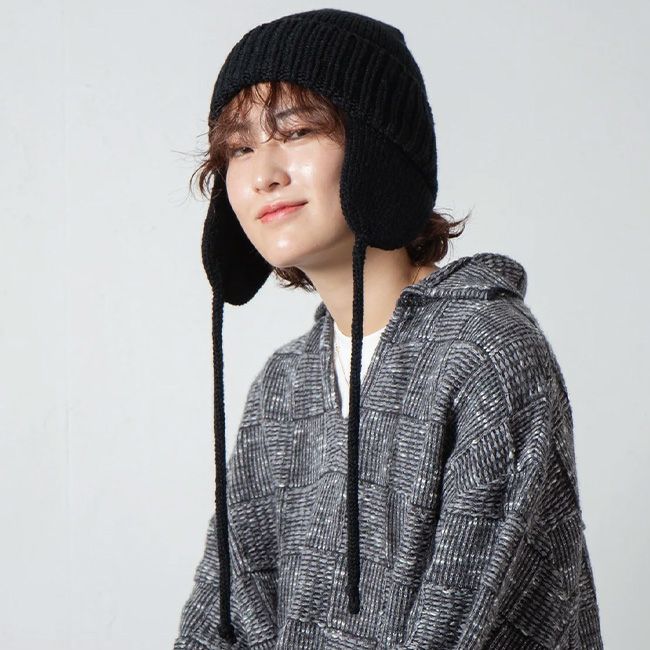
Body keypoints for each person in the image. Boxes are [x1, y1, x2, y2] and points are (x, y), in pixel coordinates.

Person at [173, 8, 604, 649]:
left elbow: (473, 623)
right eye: (239, 148)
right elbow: (221, 621)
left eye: (297, 132)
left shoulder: (486, 350)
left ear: (379, 147)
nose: (263, 173)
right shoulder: (283, 386)